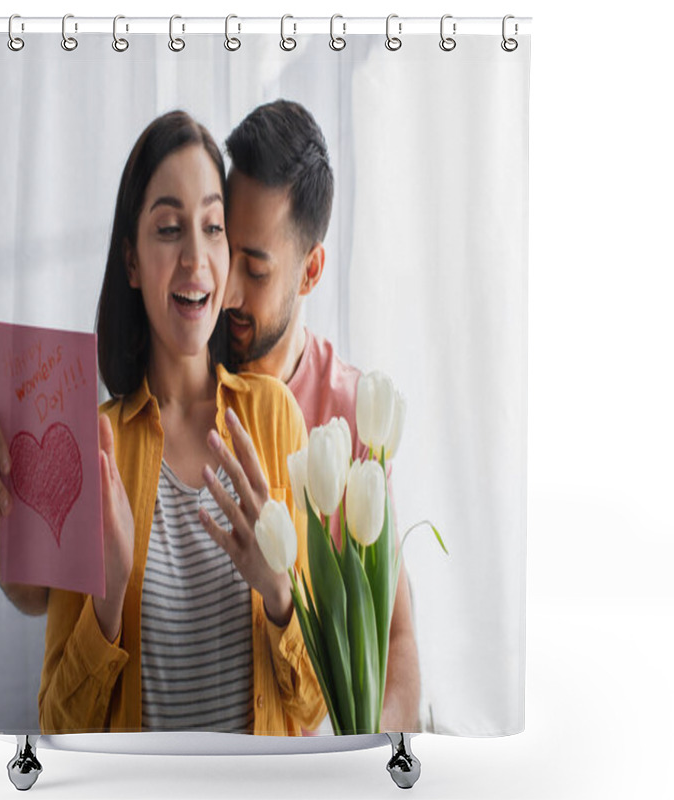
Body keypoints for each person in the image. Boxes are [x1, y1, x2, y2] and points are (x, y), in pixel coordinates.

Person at [0, 111, 324, 735]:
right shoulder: (91, 445)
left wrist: (279, 593)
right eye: (170, 228)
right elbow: (59, 725)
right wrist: (107, 600)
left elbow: (315, 706)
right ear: (131, 261)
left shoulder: (274, 417)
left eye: (212, 226)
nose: (195, 257)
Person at [222, 100, 421, 733]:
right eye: (218, 249)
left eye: (253, 269)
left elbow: (397, 643)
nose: (224, 289)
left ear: (310, 271)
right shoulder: (180, 380)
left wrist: (366, 764)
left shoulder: (352, 418)